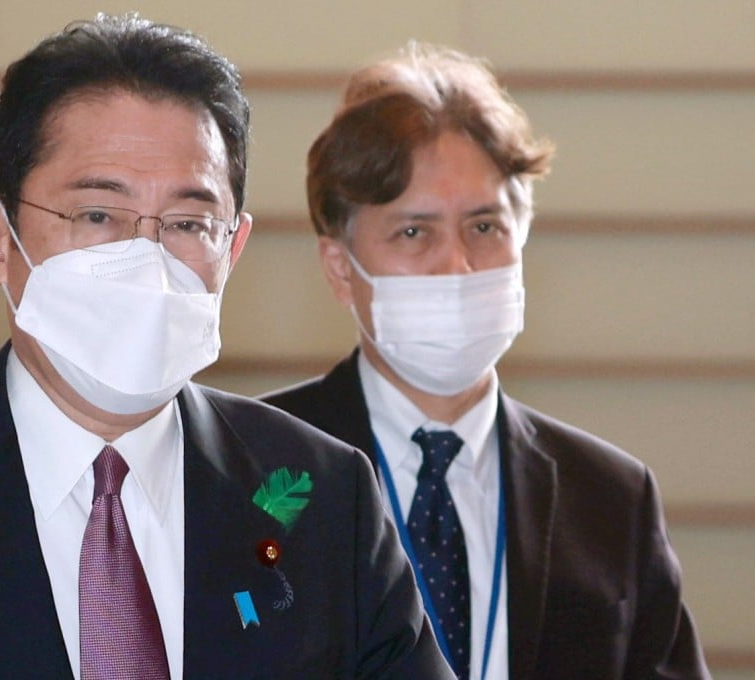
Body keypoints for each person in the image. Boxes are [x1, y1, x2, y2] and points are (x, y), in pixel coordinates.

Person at [0, 15, 454, 679]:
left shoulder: (325, 498)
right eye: (98, 214)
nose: (146, 258)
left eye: (187, 223)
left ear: (233, 249)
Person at [261, 43, 711, 680]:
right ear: (341, 268)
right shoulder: (255, 466)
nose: (457, 266)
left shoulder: (612, 499)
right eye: (414, 232)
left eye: (484, 227)